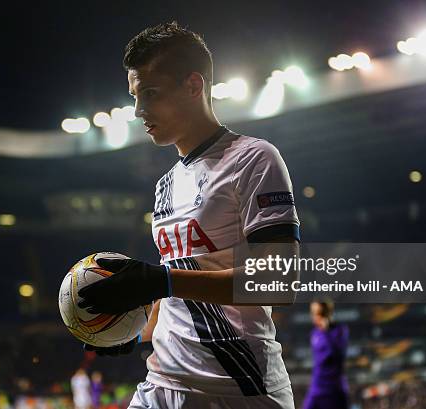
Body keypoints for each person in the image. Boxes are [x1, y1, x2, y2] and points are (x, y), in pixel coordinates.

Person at [78, 21, 300, 408]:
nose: (137, 110)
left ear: (194, 86)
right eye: (134, 95)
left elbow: (278, 280)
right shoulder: (164, 184)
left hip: (238, 387)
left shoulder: (254, 158)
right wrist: (127, 331)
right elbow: (180, 290)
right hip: (162, 381)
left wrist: (161, 281)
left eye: (150, 93)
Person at [302, 300, 350, 409]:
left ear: (327, 313)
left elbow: (337, 354)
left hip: (335, 388)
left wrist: (326, 331)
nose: (314, 316)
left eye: (318, 313)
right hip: (317, 387)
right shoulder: (314, 333)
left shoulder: (340, 330)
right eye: (312, 313)